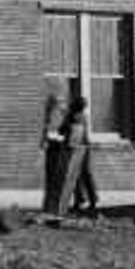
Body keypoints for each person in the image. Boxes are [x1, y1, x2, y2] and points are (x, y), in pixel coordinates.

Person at [40, 73, 94, 221]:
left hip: (76, 149)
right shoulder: (77, 116)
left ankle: (88, 199)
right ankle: (80, 200)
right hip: (76, 149)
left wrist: (56, 136)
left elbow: (69, 133)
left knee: (81, 175)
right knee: (75, 176)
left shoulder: (76, 117)